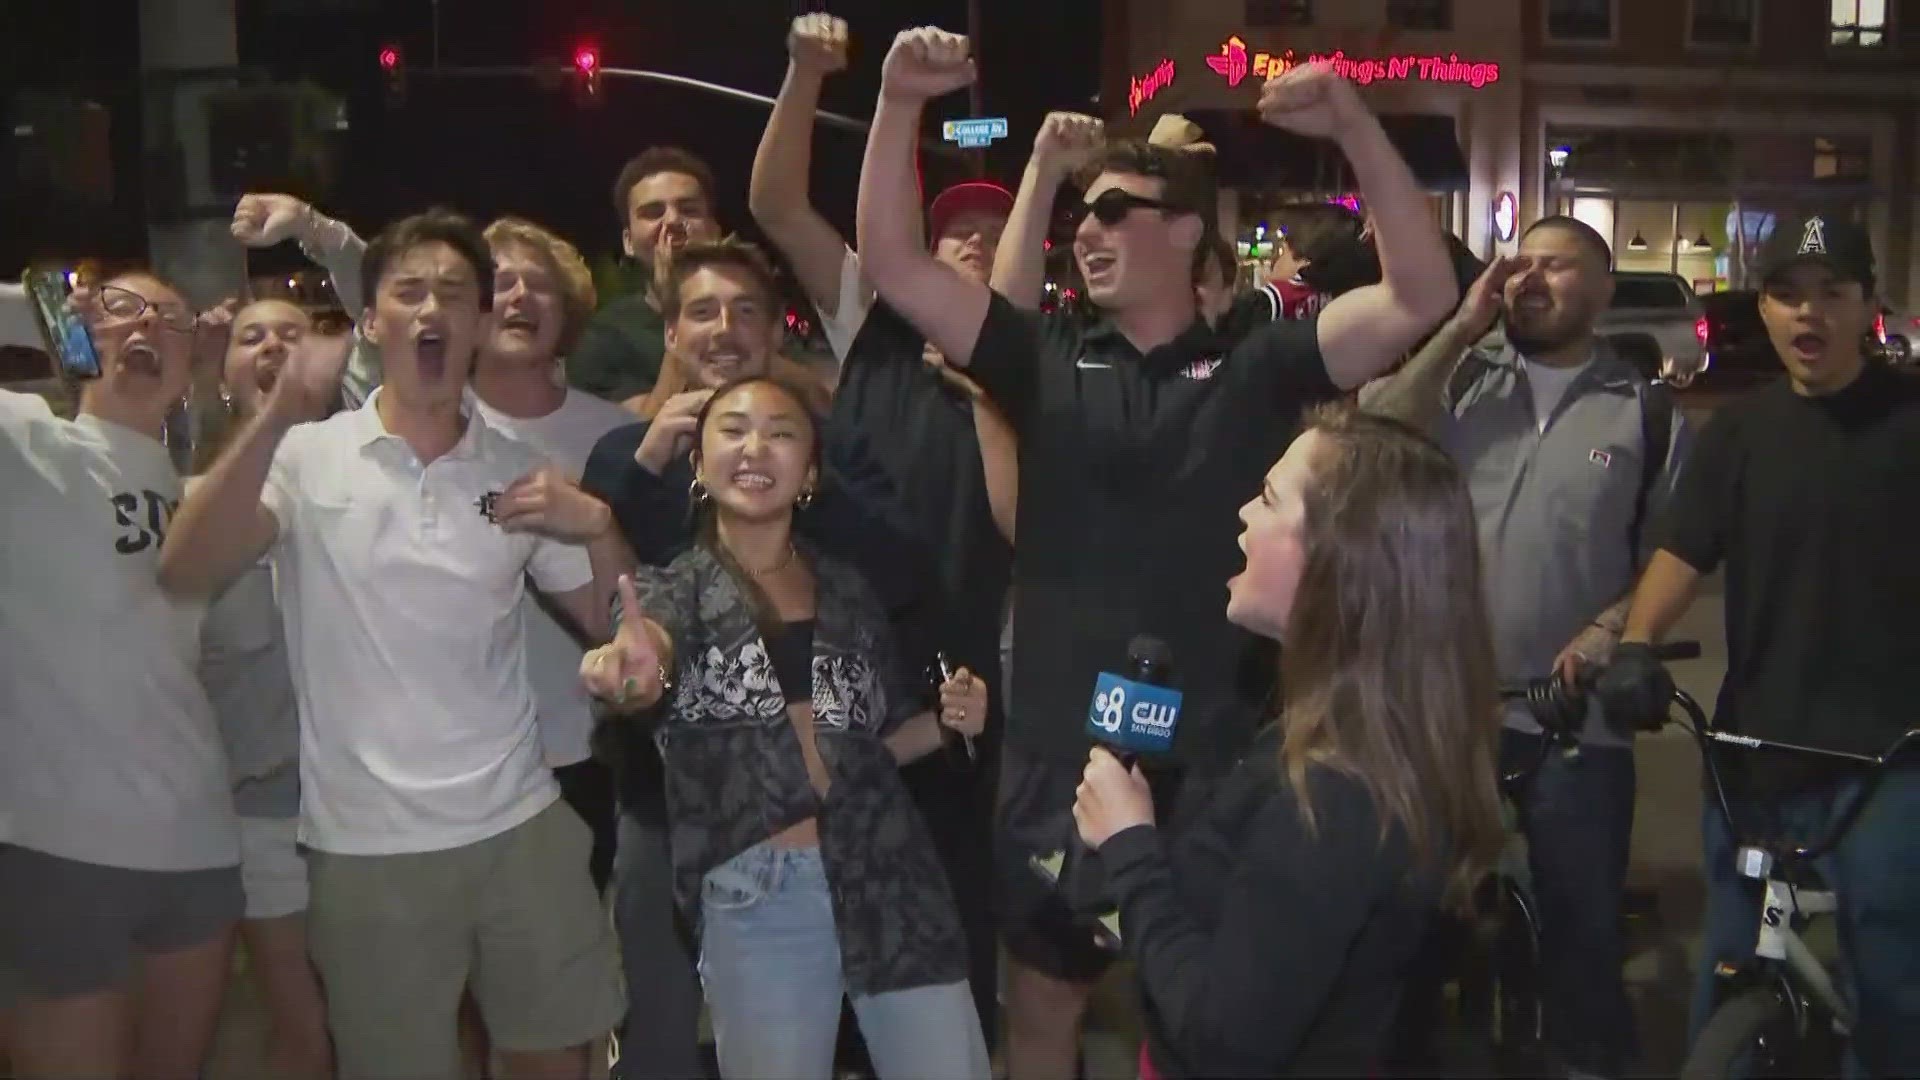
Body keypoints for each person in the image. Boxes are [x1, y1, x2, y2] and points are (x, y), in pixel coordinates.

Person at [856, 30, 1462, 1078]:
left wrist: (1356, 124)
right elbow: (898, 262)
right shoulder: (1038, 358)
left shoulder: (1258, 364)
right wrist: (897, 103)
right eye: (1079, 212)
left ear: (1187, 232)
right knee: (1041, 1013)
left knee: (1205, 1029)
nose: (1083, 229)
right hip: (1056, 754)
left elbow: (1422, 296)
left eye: (1112, 210)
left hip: (1218, 758)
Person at [159, 209, 627, 1080]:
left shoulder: (517, 468)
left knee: (555, 1058)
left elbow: (611, 621)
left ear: (483, 324)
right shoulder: (308, 457)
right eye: (407, 292)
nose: (431, 312)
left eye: (454, 294)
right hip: (367, 850)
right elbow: (188, 564)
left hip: (520, 825)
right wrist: (276, 419)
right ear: (371, 321)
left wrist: (598, 525)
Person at [580, 374, 994, 1080]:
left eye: (780, 433)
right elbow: (648, 648)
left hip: (889, 876)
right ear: (698, 464)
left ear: (809, 473)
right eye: (734, 430)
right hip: (759, 893)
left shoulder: (851, 589)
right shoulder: (673, 587)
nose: (755, 447)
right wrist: (633, 668)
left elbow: (871, 746)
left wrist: (952, 724)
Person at [1072, 404, 1505, 1078]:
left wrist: (1131, 850)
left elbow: (1225, 1039)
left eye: (1270, 498)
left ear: (1339, 560)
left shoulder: (1336, 795)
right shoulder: (1342, 736)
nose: (1245, 513)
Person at [1362, 215, 1689, 1078]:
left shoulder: (1640, 406)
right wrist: (1461, 327)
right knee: (1419, 931)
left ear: (1606, 291)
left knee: (1580, 936)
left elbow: (1671, 554)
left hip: (1576, 726)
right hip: (1447, 713)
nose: (1532, 280)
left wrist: (1610, 629)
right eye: (1523, 266)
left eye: (1559, 266)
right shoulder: (1465, 379)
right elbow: (1374, 432)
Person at [749, 11, 1020, 1042]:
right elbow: (775, 202)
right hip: (854, 666)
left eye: (1000, 237)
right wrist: (807, 71)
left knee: (953, 939)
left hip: (973, 684)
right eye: (958, 230)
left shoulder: (1031, 353)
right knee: (825, 928)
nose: (977, 245)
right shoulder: (876, 316)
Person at [1599, 213, 1920, 1080]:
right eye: (1786, 294)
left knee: (1888, 970)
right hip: (1754, 748)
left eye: (1831, 294)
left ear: (1867, 310)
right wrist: (1635, 644)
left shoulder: (1909, 421)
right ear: (1764, 308)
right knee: (1733, 960)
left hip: (1890, 757)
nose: (1807, 315)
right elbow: (1682, 547)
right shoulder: (1741, 430)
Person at [0, 269, 242, 1080]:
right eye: (119, 311)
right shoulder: (28, 441)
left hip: (200, 846)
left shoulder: (201, 487)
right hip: (61, 846)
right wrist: (32, 310)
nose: (146, 327)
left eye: (170, 319)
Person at [193, 296, 337, 1079]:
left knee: (394, 1018)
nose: (277, 347)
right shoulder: (197, 502)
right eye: (253, 337)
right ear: (224, 370)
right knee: (304, 1031)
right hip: (263, 807)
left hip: (377, 803)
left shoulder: (367, 476)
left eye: (295, 334)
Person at [570, 147, 726, 405]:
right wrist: (679, 307)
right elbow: (639, 430)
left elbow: (814, 391)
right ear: (628, 242)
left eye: (688, 209)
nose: (673, 220)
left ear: (714, 231)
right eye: (653, 213)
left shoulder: (754, 312)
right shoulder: (603, 334)